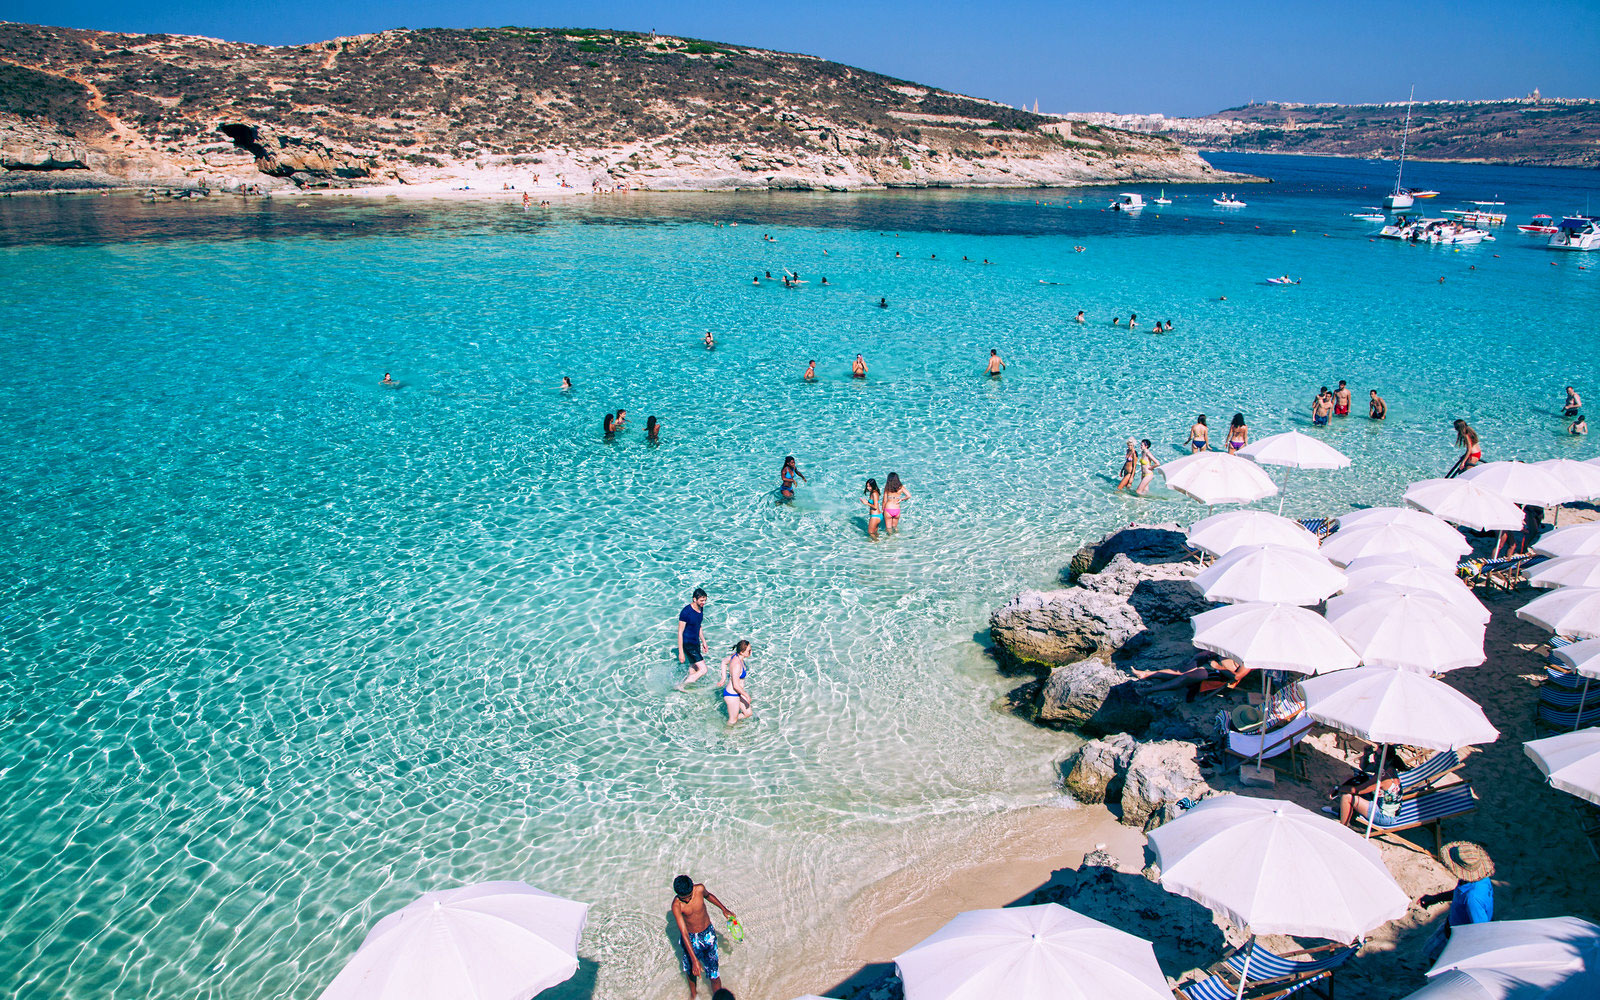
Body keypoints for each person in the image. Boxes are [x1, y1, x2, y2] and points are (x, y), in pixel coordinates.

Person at [1417, 842, 1495, 963]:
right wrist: (1436, 898)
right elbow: (1459, 894)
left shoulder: (1472, 898)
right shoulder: (1480, 879)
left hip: (1458, 937)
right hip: (1452, 926)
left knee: (1436, 960)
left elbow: (1481, 929)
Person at [671, 875, 737, 1000]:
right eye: (683, 898)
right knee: (691, 970)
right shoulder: (677, 906)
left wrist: (724, 909)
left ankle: (717, 996)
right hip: (691, 939)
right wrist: (694, 959)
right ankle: (694, 994)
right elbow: (684, 933)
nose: (687, 900)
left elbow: (709, 896)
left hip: (708, 935)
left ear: (692, 888)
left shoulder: (700, 889)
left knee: (714, 971)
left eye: (689, 896)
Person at [1329, 750, 1401, 828]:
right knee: (1349, 778)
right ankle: (1341, 811)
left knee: (1347, 796)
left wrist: (1337, 788)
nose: (1375, 757)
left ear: (1385, 759)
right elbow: (1365, 767)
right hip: (1379, 802)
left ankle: (1343, 827)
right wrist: (1366, 755)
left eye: (1377, 755)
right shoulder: (1387, 767)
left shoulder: (1383, 777)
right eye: (1375, 753)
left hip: (1384, 816)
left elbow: (1358, 790)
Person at [1132, 651, 1249, 695]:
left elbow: (1236, 676)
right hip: (1213, 660)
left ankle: (1149, 690)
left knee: (1186, 676)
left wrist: (1217, 666)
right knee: (1180, 670)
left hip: (1221, 673)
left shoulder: (1250, 660)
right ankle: (1148, 674)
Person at [677, 589, 709, 687]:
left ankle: (690, 688)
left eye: (705, 600)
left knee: (694, 667)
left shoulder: (700, 608)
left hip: (696, 642)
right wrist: (681, 652)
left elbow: (698, 626)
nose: (703, 603)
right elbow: (680, 632)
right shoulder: (686, 612)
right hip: (688, 643)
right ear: (694, 599)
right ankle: (682, 686)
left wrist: (703, 641)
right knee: (703, 669)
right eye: (701, 601)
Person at [720, 640, 753, 725]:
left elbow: (724, 662)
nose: (751, 652)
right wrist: (746, 695)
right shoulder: (737, 664)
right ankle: (725, 735)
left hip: (738, 693)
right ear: (742, 652)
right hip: (732, 694)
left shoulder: (735, 656)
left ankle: (732, 719)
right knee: (732, 721)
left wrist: (723, 678)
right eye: (749, 650)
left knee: (748, 713)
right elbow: (736, 686)